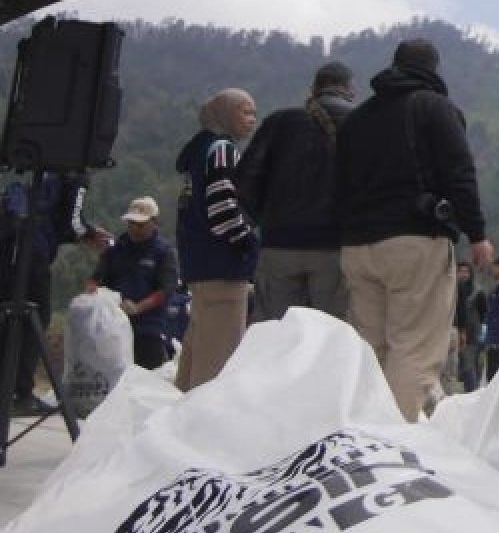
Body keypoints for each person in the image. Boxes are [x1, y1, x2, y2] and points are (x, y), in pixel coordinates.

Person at [337, 38, 494, 420]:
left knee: (370, 347)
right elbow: (459, 173)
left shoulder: (356, 119)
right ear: (433, 68)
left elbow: (337, 181)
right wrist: (476, 233)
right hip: (414, 239)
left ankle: (354, 437)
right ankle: (389, 444)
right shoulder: (433, 107)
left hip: (357, 245)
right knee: (414, 347)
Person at [237, 61, 356, 320]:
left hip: (279, 243)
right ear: (350, 89)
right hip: (335, 248)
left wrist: (262, 220)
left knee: (276, 333)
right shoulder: (360, 123)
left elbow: (246, 178)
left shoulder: (280, 122)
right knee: (330, 334)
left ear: (313, 89)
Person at [175, 88, 260, 391]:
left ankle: (177, 417)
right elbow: (223, 205)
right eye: (244, 111)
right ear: (223, 114)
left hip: (199, 263)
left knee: (196, 350)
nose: (252, 119)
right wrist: (248, 242)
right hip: (223, 264)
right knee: (218, 360)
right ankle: (201, 427)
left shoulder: (197, 153)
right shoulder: (223, 149)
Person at [1, 173, 105, 416]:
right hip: (32, 253)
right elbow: (74, 223)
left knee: (7, 319)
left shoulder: (43, 172)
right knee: (36, 319)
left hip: (7, 250)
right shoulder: (75, 175)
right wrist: (91, 233)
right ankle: (22, 393)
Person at [87, 197, 178, 370]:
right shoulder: (116, 250)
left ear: (154, 223)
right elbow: (96, 279)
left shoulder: (164, 252)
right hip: (113, 328)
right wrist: (91, 295)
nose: (135, 229)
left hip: (148, 328)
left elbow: (166, 290)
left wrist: (138, 307)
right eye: (131, 223)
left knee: (149, 378)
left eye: (141, 224)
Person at [453, 261, 484, 393]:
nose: (463, 275)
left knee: (468, 363)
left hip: (471, 334)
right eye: (461, 271)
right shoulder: (451, 290)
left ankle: (472, 392)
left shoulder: (478, 292)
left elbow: (483, 312)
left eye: (466, 272)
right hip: (453, 332)